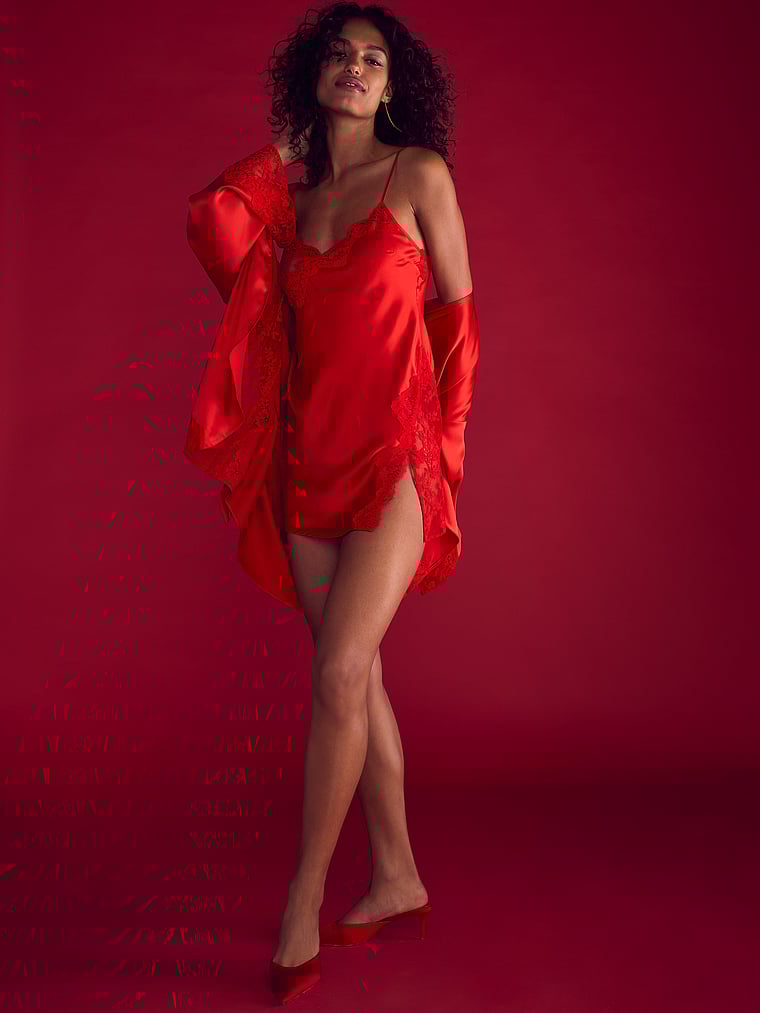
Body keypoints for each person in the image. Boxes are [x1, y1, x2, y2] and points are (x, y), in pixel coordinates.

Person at [183, 4, 480, 1003]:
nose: (355, 68)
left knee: (342, 668)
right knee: (355, 681)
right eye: (339, 55)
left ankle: (302, 896)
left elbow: (458, 329)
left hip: (394, 464)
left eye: (373, 59)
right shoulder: (294, 204)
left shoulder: (420, 176)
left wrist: (440, 458)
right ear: (313, 75)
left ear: (393, 86)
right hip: (308, 472)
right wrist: (283, 151)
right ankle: (397, 873)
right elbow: (211, 221)